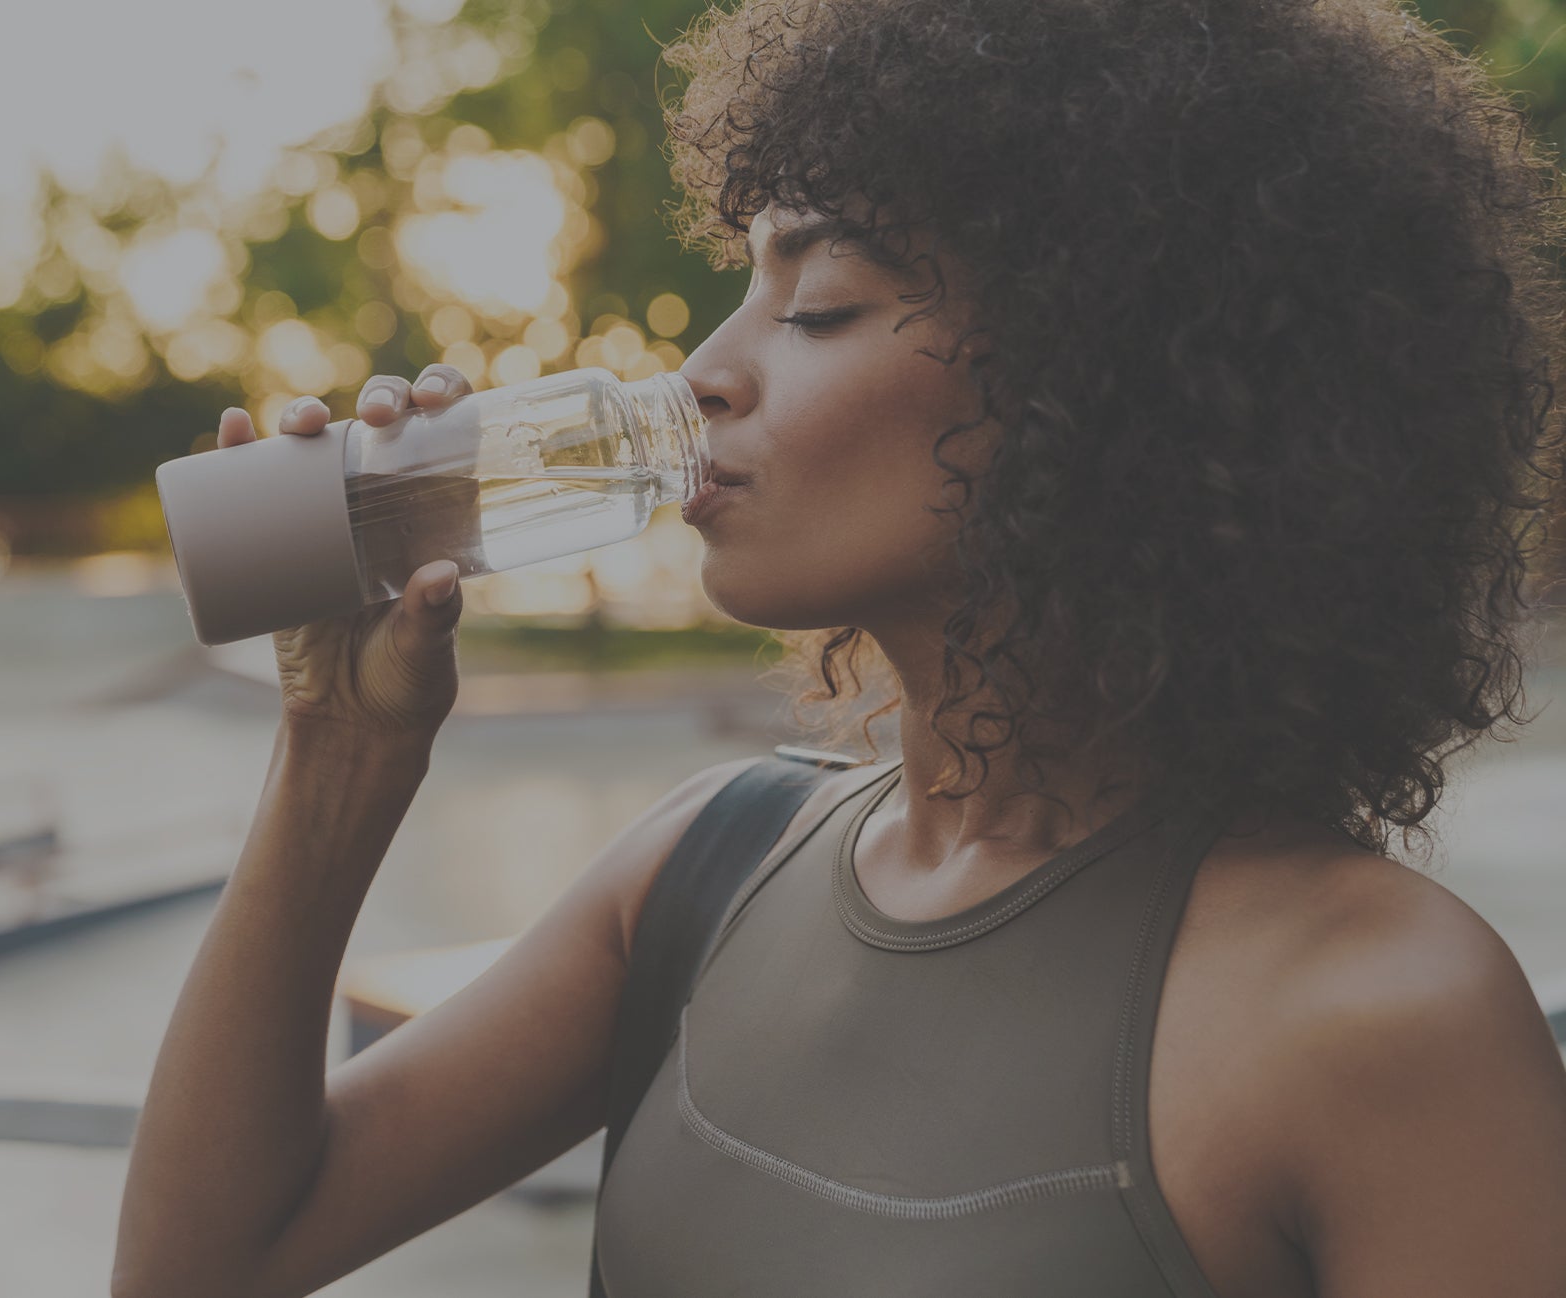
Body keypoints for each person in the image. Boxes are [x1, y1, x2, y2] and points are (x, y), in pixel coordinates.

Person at [113, 0, 1566, 1294]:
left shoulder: (1384, 1016)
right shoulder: (701, 872)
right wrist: (340, 753)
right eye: (747, 285)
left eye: (820, 304)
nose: (705, 372)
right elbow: (201, 1264)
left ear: (1107, 379)